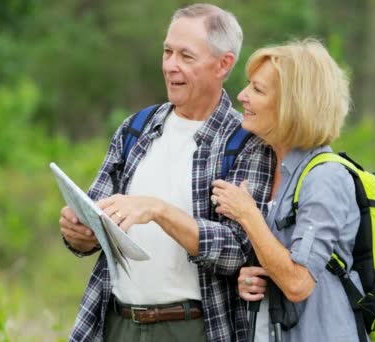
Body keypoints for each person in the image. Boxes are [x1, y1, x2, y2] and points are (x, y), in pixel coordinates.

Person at [59, 4, 275, 342]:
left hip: (194, 328)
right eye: (167, 51)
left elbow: (239, 250)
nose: (170, 65)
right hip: (115, 322)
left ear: (223, 64)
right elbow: (95, 216)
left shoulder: (248, 142)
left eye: (186, 56)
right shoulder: (136, 128)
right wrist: (78, 232)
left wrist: (159, 211)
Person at [211, 39, 368, 341]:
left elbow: (298, 283)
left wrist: (247, 215)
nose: (242, 96)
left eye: (257, 90)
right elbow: (282, 267)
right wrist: (253, 279)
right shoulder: (276, 170)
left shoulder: (325, 178)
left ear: (292, 106)